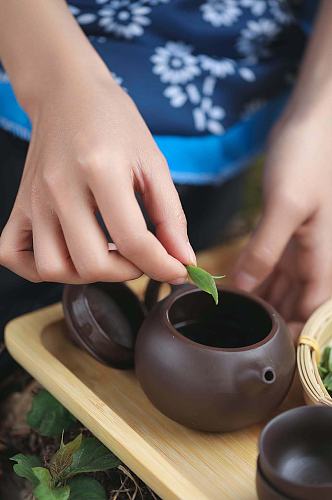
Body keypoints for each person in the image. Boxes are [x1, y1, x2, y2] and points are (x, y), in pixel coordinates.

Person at [0, 1, 330, 373]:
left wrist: (320, 112)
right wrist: (54, 83)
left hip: (241, 86)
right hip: (43, 100)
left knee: (193, 238)